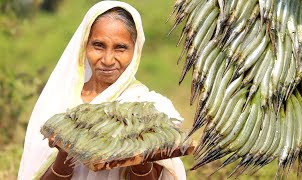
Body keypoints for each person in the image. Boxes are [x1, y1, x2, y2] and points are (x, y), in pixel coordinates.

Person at [18, 1, 187, 180]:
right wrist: (64, 150)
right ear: (85, 46)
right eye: (98, 45)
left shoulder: (153, 109)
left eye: (120, 48)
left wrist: (143, 149)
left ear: (135, 50)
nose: (107, 60)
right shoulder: (59, 105)